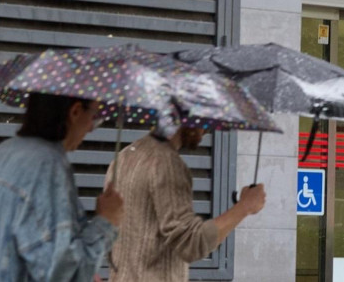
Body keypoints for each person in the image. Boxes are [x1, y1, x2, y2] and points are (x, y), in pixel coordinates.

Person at [0, 93, 124, 281]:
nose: (91, 128)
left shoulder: (2, 153)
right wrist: (106, 221)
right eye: (94, 115)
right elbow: (57, 273)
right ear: (76, 111)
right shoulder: (49, 167)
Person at [106, 118, 266, 282]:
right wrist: (245, 206)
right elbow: (191, 244)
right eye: (205, 122)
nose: (206, 131)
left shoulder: (123, 157)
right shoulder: (167, 164)